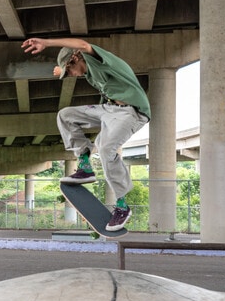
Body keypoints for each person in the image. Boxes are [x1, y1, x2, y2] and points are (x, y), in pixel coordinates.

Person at [21, 38, 151, 231]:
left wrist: (47, 43)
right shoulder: (85, 70)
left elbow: (82, 45)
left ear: (76, 58)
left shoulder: (98, 59)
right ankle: (84, 165)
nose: (72, 76)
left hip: (131, 112)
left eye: (70, 71)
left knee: (106, 148)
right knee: (66, 115)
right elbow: (69, 68)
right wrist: (60, 70)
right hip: (108, 109)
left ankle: (122, 206)